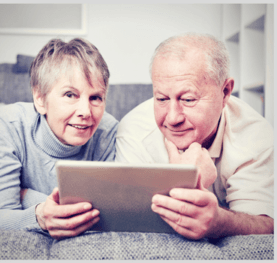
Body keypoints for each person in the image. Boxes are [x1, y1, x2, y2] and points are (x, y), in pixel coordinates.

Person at [115, 33, 274, 240]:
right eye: (161, 98)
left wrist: (220, 221)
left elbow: (264, 224)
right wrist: (182, 179)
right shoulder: (134, 129)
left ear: (225, 92)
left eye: (188, 99)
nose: (172, 118)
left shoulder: (254, 135)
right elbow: (129, 221)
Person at [0, 38, 118, 240]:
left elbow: (108, 215)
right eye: (70, 94)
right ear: (39, 98)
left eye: (95, 97)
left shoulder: (109, 133)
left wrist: (26, 196)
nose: (85, 112)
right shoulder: (5, 125)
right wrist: (40, 215)